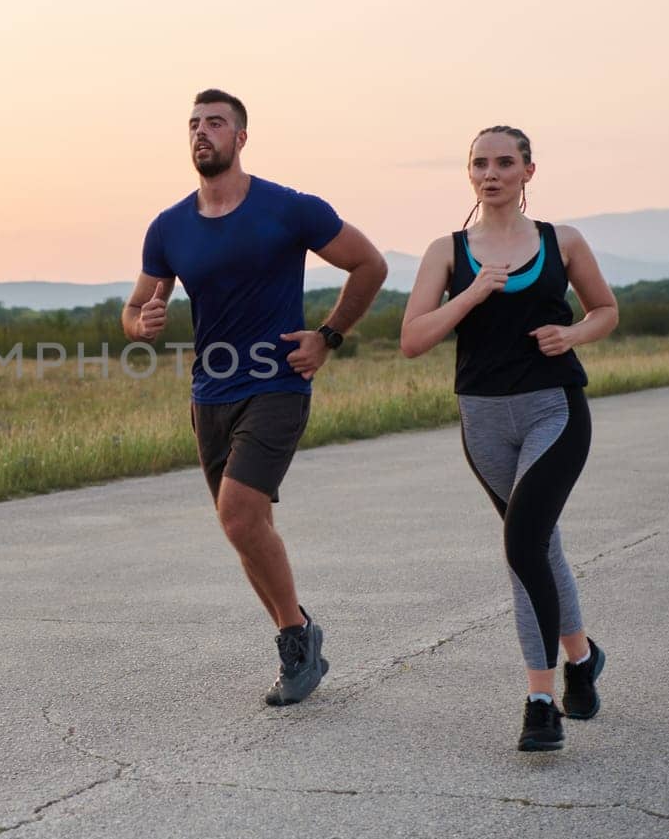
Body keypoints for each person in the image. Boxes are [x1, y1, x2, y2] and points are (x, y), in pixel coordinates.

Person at [124, 89, 388, 706]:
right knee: (247, 528)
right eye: (193, 124)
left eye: (215, 123)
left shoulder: (289, 209)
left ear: (241, 137)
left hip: (277, 381)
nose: (201, 132)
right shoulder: (169, 227)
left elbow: (369, 264)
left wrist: (328, 337)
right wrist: (143, 324)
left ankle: (295, 642)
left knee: (238, 513)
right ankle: (299, 634)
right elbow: (135, 309)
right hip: (210, 390)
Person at [400, 125, 619, 751]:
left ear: (528, 171)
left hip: (554, 411)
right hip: (483, 419)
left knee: (522, 543)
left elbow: (605, 310)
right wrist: (470, 293)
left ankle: (540, 699)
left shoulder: (562, 241)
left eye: (504, 162)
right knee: (539, 543)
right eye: (479, 164)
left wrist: (572, 335)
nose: (490, 173)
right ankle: (581, 660)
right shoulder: (447, 251)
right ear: (469, 174)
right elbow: (413, 340)